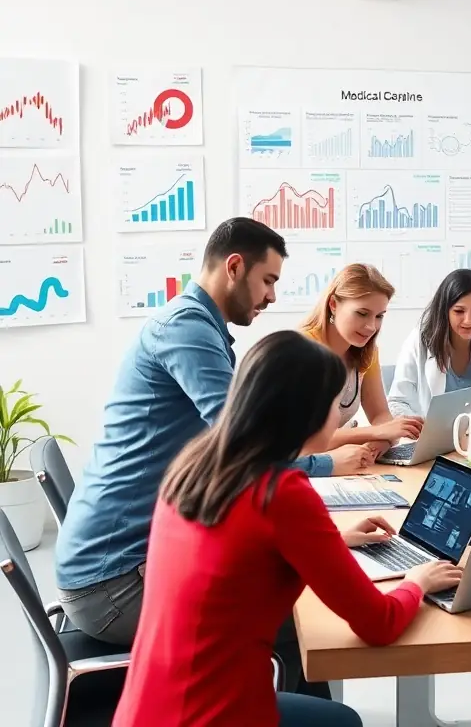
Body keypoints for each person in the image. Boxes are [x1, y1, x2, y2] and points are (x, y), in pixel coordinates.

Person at [112, 330, 463, 727]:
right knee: (342, 722)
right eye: (334, 404)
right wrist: (416, 581)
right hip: (217, 714)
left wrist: (332, 541)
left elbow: (239, 548)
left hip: (147, 708)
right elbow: (378, 624)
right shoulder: (281, 492)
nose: (339, 415)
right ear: (307, 413)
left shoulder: (194, 466)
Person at [55, 219, 356, 650]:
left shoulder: (199, 325)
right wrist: (322, 465)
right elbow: (240, 440)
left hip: (116, 566)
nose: (273, 295)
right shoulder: (187, 328)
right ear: (234, 267)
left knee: (291, 575)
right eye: (268, 280)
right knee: (295, 614)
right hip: (115, 587)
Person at [298, 263, 423, 468]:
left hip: (337, 465)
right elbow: (308, 441)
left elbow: (380, 415)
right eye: (362, 313)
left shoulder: (368, 351)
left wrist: (377, 444)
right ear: (333, 305)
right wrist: (378, 432)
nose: (371, 326)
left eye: (379, 316)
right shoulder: (303, 351)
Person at [388, 269, 471, 436]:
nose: (469, 320)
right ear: (444, 310)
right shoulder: (420, 340)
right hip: (431, 440)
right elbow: (398, 401)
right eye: (459, 311)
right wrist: (420, 428)